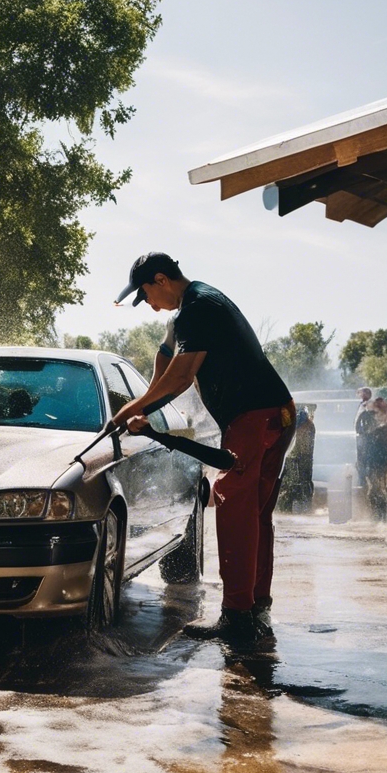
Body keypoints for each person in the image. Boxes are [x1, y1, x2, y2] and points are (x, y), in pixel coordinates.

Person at [112, 252, 294, 646]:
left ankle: (237, 616)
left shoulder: (199, 305)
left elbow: (180, 377)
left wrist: (128, 411)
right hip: (275, 412)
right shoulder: (192, 311)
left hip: (253, 416)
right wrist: (146, 407)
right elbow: (165, 370)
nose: (149, 306)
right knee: (256, 516)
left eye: (146, 295)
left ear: (160, 279)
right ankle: (256, 608)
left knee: (233, 509)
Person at [354, 386, 373, 487]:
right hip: (364, 435)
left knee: (363, 458)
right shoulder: (364, 404)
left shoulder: (367, 405)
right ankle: (362, 479)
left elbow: (362, 419)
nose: (360, 395)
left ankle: (363, 480)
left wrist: (361, 431)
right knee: (362, 458)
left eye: (361, 393)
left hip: (365, 436)